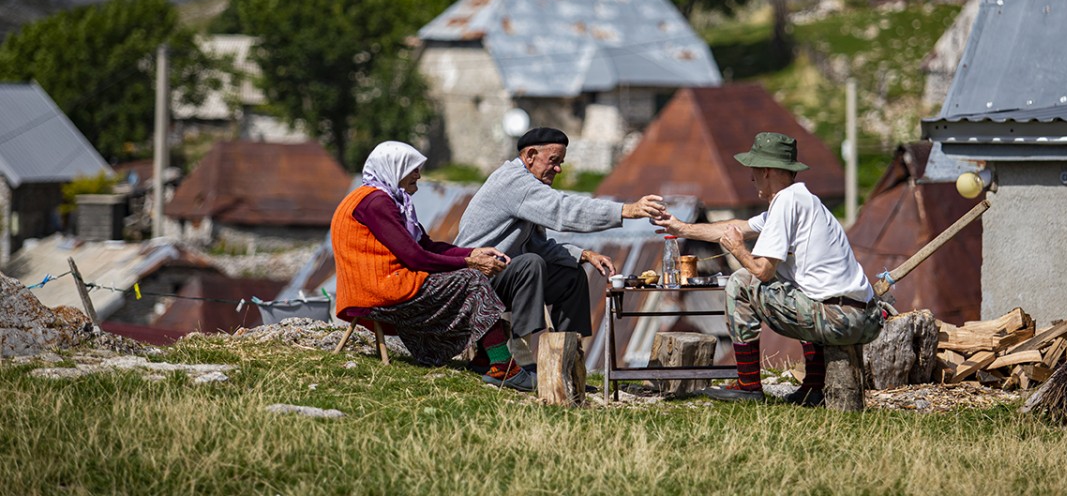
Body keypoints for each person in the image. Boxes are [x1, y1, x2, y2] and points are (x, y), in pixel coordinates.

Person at [654, 131, 884, 403]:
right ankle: (813, 387)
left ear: (765, 171)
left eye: (753, 171)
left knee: (740, 282)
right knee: (798, 287)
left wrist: (738, 250)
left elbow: (763, 270)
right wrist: (683, 228)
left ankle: (748, 385)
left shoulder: (787, 202)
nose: (751, 179)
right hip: (862, 316)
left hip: (842, 319)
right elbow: (736, 227)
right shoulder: (799, 199)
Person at [331, 141, 534, 391]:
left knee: (469, 275)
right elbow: (415, 258)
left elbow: (426, 245)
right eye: (412, 169)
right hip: (381, 291)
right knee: (473, 279)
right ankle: (504, 367)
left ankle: (485, 358)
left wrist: (474, 252)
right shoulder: (376, 203)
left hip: (384, 285)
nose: (418, 175)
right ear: (393, 169)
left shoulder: (386, 199)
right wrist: (469, 262)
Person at [455, 127, 666, 363]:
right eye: (554, 161)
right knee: (530, 265)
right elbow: (563, 210)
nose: (558, 169)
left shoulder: (528, 186)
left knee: (570, 274)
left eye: (561, 162)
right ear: (530, 156)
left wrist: (583, 254)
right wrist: (626, 210)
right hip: (474, 280)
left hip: (501, 275)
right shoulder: (515, 182)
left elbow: (536, 245)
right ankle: (521, 358)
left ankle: (568, 359)